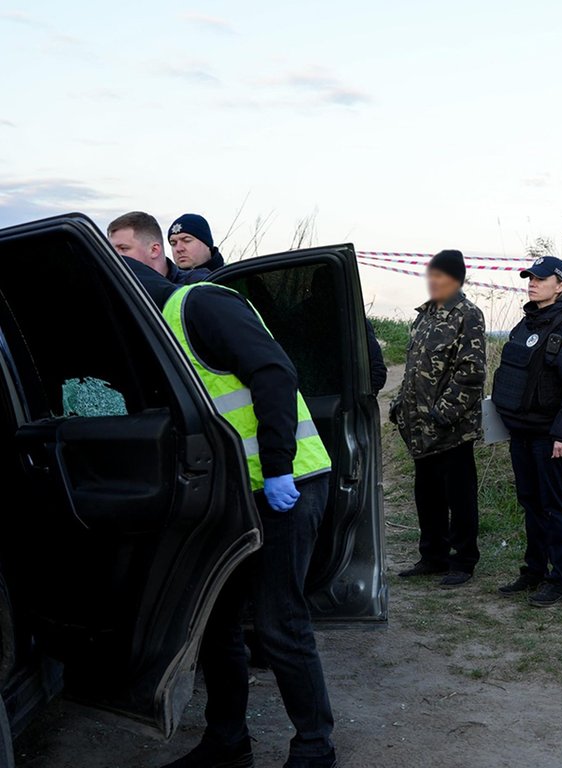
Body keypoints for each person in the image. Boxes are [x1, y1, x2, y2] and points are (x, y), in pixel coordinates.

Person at [121, 259, 340, 768]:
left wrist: (280, 465)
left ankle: (315, 747)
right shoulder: (156, 328)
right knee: (218, 621)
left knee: (279, 621)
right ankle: (227, 741)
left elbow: (274, 372)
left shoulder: (199, 302)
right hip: (233, 494)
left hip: (290, 484)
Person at [491, 256, 562, 608]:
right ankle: (533, 570)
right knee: (531, 504)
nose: (532, 283)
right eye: (529, 278)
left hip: (550, 439)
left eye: (540, 278)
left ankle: (559, 580)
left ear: (560, 285)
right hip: (521, 434)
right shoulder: (525, 325)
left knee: (555, 507)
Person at [389, 250, 487, 586]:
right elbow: (413, 367)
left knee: (459, 496)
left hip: (452, 428)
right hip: (419, 429)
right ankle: (433, 556)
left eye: (441, 275)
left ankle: (463, 562)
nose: (434, 280)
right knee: (426, 494)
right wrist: (400, 404)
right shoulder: (424, 315)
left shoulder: (468, 315)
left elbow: (471, 372)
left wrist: (443, 414)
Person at [107, 211, 209, 284]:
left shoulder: (197, 286)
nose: (115, 256)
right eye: (173, 243)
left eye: (124, 248)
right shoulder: (112, 286)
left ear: (154, 250)